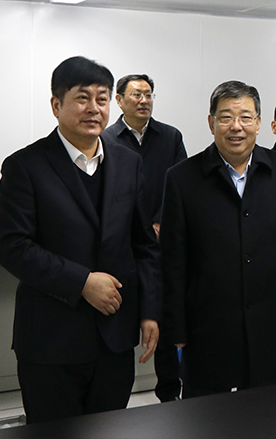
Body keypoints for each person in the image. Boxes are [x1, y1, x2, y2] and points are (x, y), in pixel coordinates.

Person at [0, 56, 161, 424]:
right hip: (51, 342)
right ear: (56, 105)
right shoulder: (25, 166)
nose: (93, 108)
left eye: (102, 98)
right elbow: (13, 247)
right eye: (82, 98)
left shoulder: (128, 163)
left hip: (114, 339)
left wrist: (150, 310)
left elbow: (144, 245)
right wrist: (82, 282)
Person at [159, 80, 276, 397]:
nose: (236, 126)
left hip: (274, 327)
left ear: (259, 123)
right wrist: (175, 327)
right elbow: (173, 261)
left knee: (274, 412)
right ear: (211, 123)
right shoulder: (182, 178)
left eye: (246, 117)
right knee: (208, 415)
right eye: (226, 117)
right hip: (209, 329)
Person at [101, 73, 187, 402]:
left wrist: (161, 222)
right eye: (136, 94)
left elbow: (180, 183)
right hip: (123, 247)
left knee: (164, 320)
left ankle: (169, 395)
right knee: (121, 322)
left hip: (164, 244)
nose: (144, 100)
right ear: (119, 100)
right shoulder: (106, 139)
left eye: (149, 94)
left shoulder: (170, 137)